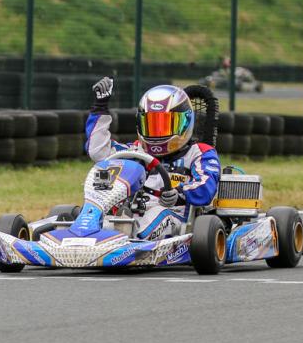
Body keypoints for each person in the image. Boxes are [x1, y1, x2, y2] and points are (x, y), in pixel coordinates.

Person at [85, 77, 221, 241]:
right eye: (151, 124)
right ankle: (91, 236)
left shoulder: (199, 153)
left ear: (185, 123)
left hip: (174, 216)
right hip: (130, 213)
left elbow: (206, 186)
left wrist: (180, 193)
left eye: (165, 125)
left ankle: (127, 240)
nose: (158, 132)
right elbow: (98, 151)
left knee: (155, 215)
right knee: (100, 220)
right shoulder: (135, 151)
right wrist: (100, 107)